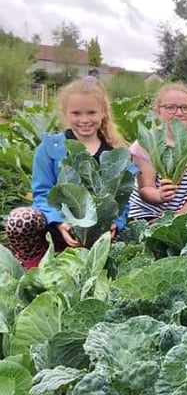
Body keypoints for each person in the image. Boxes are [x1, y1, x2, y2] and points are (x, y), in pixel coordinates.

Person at [5, 76, 131, 268]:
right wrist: (60, 223)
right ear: (65, 113)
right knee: (20, 218)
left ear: (103, 113)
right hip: (57, 227)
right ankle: (35, 267)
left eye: (91, 112)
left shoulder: (115, 153)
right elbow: (42, 193)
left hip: (99, 232)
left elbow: (122, 198)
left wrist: (115, 223)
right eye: (76, 113)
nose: (84, 120)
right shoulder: (48, 148)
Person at [128, 82, 187, 220]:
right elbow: (145, 188)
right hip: (147, 212)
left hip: (185, 211)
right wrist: (159, 195)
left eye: (185, 108)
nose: (179, 112)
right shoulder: (147, 143)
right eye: (170, 107)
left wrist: (179, 217)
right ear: (158, 112)